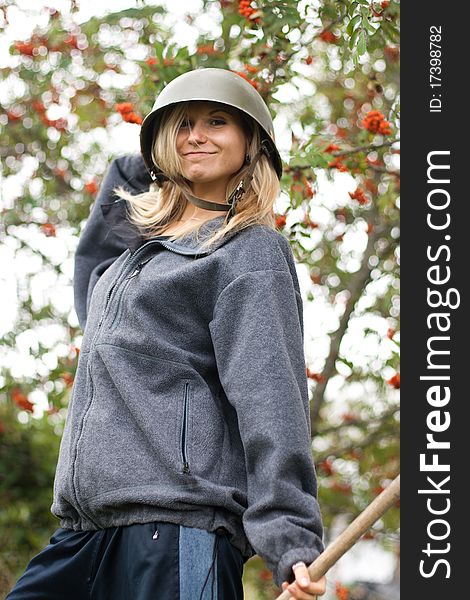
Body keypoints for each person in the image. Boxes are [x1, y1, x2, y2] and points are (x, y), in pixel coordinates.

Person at [6, 68, 326, 600]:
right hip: (85, 533)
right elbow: (97, 250)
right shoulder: (129, 263)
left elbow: (271, 399)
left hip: (176, 530)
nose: (196, 135)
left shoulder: (247, 252)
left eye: (217, 122)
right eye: (181, 125)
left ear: (251, 146)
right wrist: (150, 158)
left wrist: (290, 541)